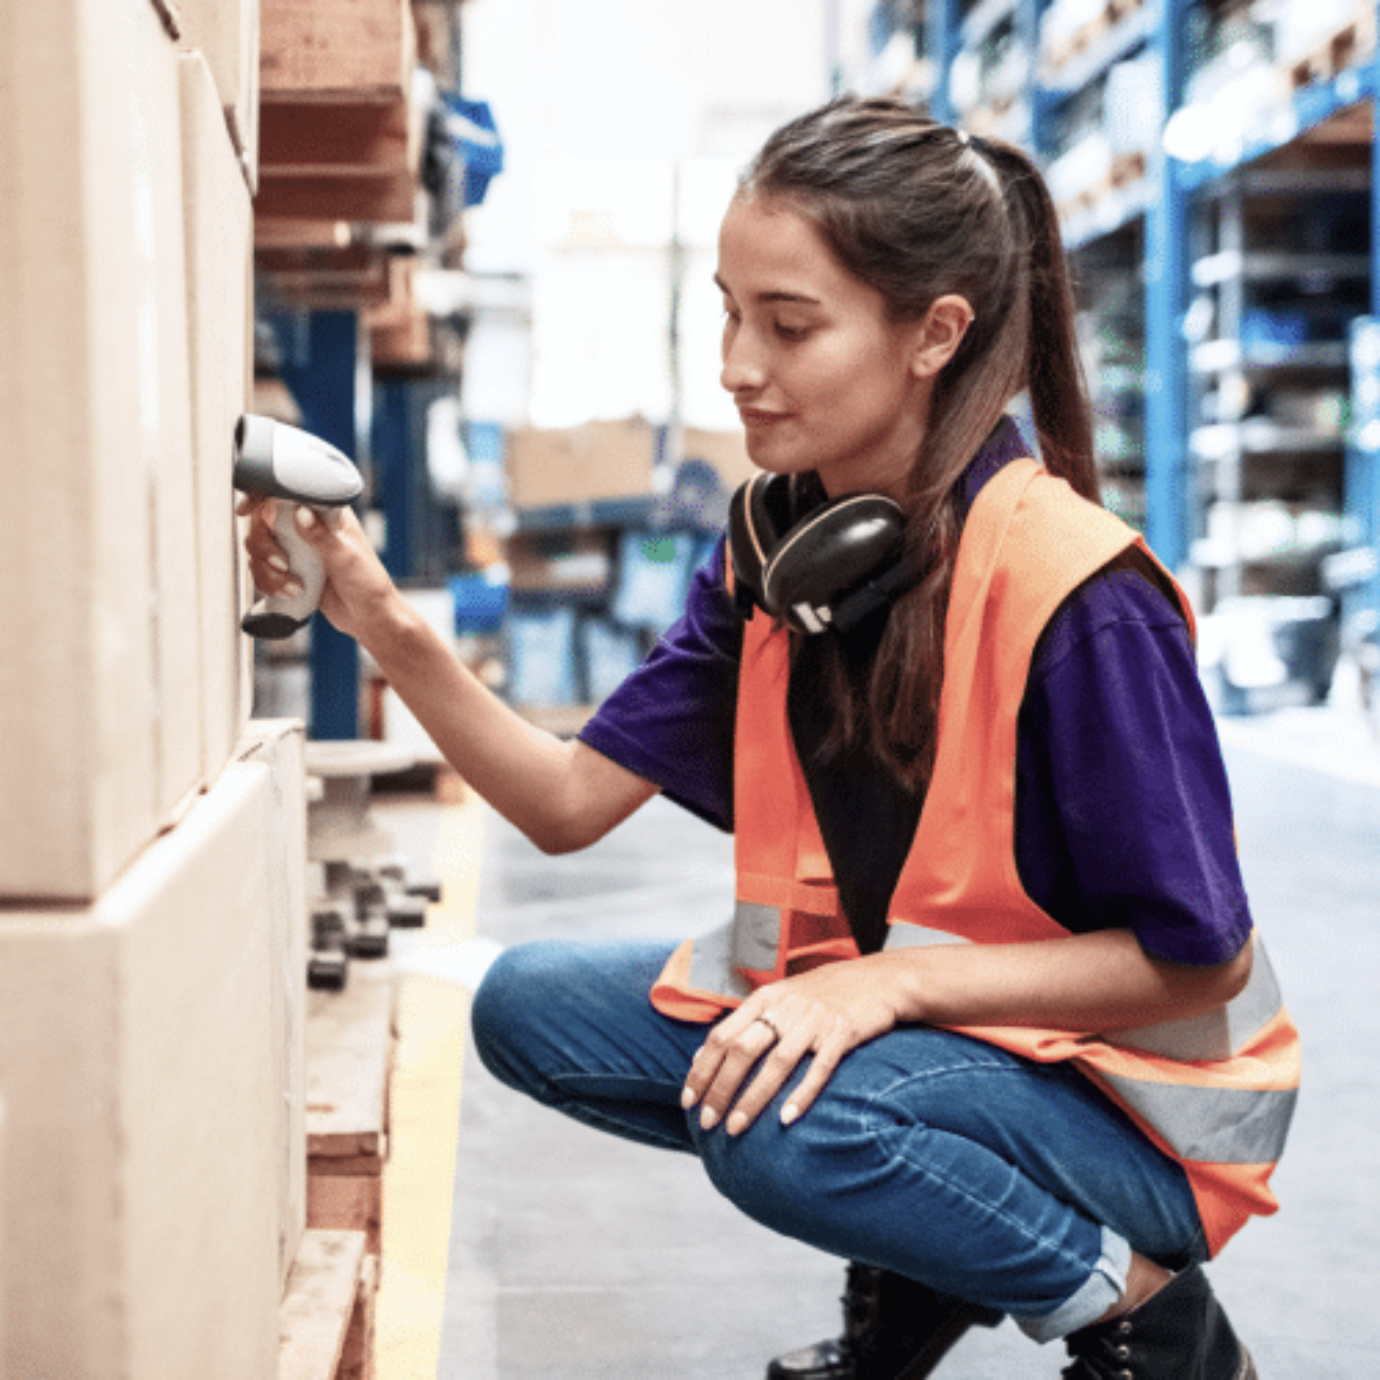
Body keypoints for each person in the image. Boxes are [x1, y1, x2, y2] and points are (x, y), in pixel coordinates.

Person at [243, 96, 1298, 1380]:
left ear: (935, 336)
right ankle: (932, 1257)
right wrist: (372, 613)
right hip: (950, 1059)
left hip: (1131, 1114)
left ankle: (1145, 1315)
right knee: (528, 1011)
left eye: (789, 325)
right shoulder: (775, 551)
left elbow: (1197, 965)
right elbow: (568, 803)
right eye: (729, 316)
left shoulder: (1079, 595)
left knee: (783, 1132)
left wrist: (881, 985)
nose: (740, 365)